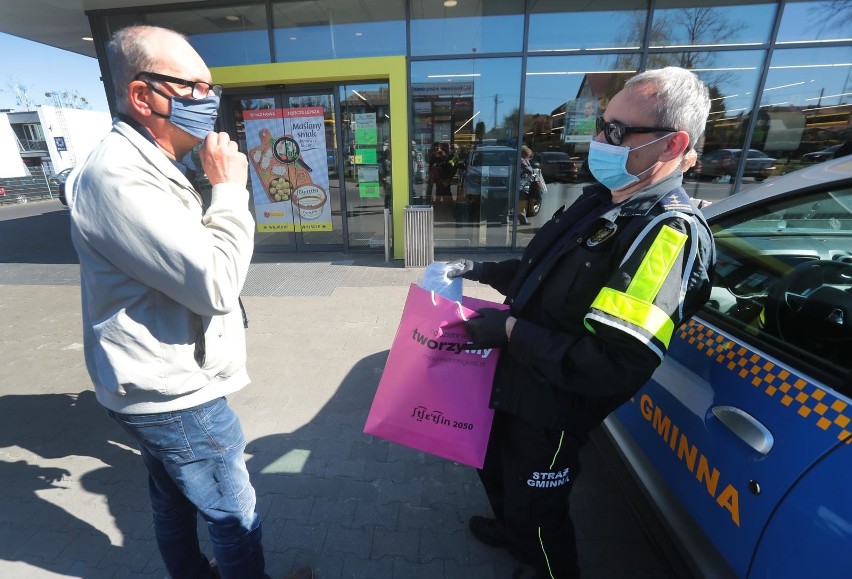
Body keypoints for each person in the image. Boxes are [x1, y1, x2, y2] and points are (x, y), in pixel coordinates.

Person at [447, 67, 715, 579]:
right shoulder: (601, 200)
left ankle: (543, 563)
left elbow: (613, 364)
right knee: (495, 466)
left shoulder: (666, 235)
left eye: (615, 132)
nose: (597, 141)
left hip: (555, 407)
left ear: (671, 144)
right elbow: (543, 278)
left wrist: (508, 333)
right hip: (517, 380)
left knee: (543, 515)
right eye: (600, 125)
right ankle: (511, 531)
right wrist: (480, 270)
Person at [67, 25, 311, 579]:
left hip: (159, 383)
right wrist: (227, 189)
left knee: (174, 502)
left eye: (211, 89)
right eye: (193, 88)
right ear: (142, 95)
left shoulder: (151, 164)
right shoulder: (119, 179)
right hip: (176, 395)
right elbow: (218, 283)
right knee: (233, 514)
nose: (209, 102)